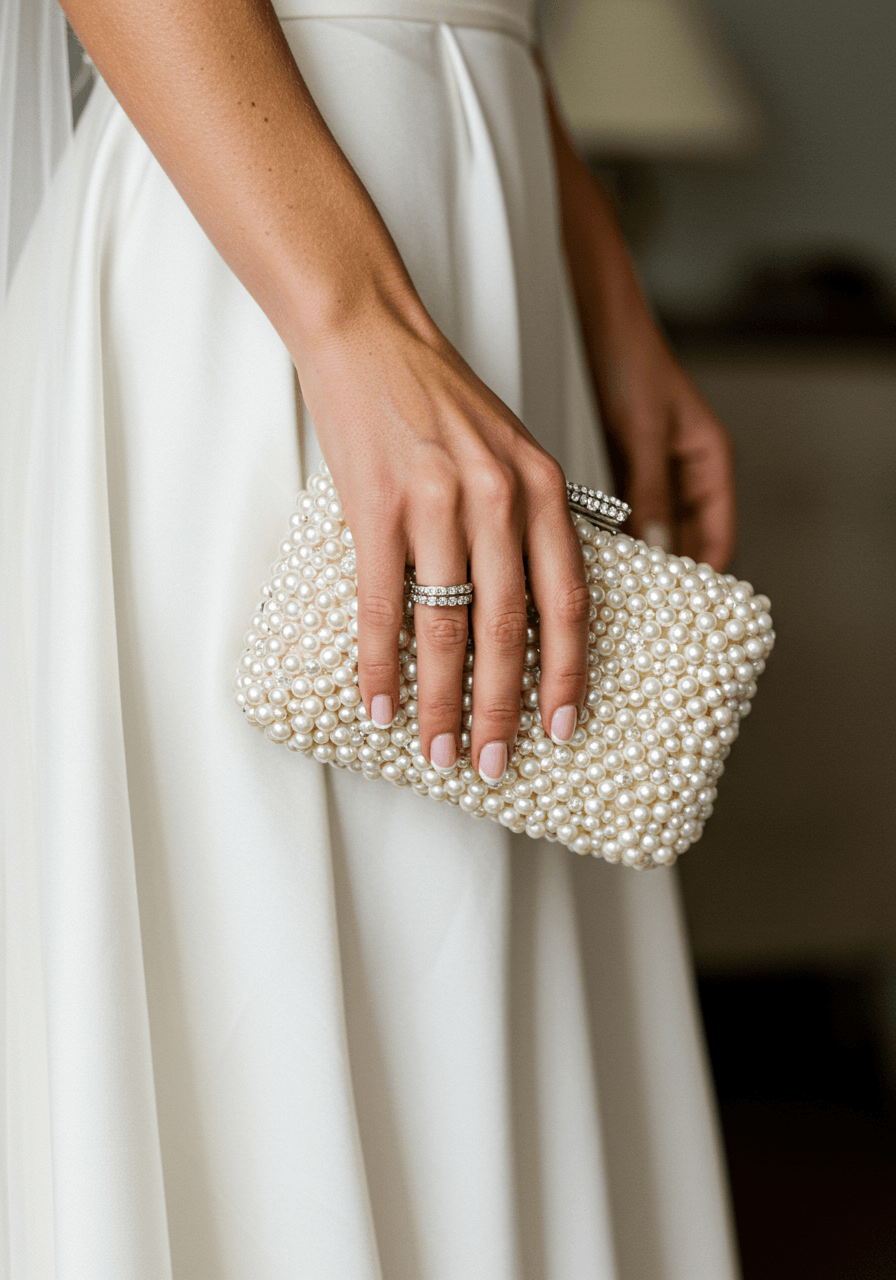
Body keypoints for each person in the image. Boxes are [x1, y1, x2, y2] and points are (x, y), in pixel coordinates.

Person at [0, 0, 740, 1275]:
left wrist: (602, 286)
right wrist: (351, 322)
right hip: (271, 237)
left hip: (487, 216)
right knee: (288, 1003)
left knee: (491, 1008)